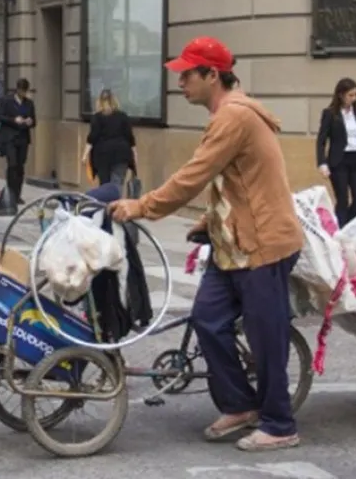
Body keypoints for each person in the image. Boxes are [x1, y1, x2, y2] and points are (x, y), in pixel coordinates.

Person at [110, 36, 304, 452]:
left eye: (187, 74)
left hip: (263, 245)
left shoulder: (234, 116)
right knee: (208, 319)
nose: (180, 83)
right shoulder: (225, 115)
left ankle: (279, 423)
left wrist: (141, 206)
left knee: (265, 337)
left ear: (212, 75)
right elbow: (231, 182)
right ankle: (239, 405)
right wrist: (207, 222)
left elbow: (193, 176)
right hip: (232, 244)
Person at [315, 77, 356, 227]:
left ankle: (343, 225)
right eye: (350, 95)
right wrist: (322, 163)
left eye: (355, 95)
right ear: (341, 95)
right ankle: (341, 232)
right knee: (342, 200)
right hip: (339, 161)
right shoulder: (330, 113)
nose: (353, 99)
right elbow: (321, 140)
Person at [82, 89, 137, 189]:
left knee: (105, 186)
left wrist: (85, 156)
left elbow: (92, 138)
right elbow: (130, 138)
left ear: (99, 102)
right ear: (115, 101)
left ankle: (107, 204)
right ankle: (116, 203)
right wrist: (135, 156)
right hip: (121, 154)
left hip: (103, 155)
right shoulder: (123, 117)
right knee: (117, 183)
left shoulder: (97, 118)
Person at [0, 78, 35, 209]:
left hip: (23, 138)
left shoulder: (29, 103)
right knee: (12, 165)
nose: (24, 94)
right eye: (22, 91)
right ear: (17, 90)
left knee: (20, 166)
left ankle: (18, 194)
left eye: (26, 92)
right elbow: (0, 116)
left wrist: (30, 121)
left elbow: (34, 120)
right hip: (10, 138)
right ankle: (10, 193)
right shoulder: (7, 101)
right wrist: (14, 120)